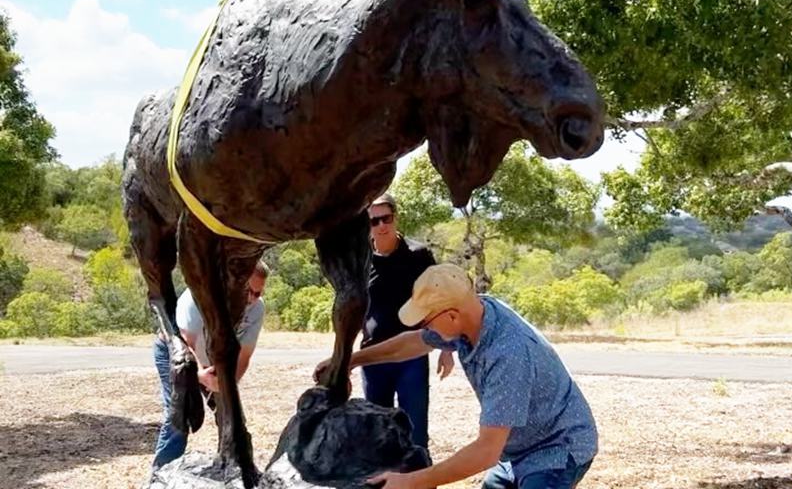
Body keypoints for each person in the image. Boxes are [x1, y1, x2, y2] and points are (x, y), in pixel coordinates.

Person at [316, 263, 597, 489]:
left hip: (557, 449)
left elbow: (486, 451)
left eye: (427, 320)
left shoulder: (508, 354)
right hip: (516, 449)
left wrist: (412, 481)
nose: (426, 328)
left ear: (451, 316)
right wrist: (348, 361)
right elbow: (412, 342)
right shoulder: (473, 314)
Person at [152, 262, 267, 469]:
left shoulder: (256, 310)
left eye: (257, 294)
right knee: (179, 412)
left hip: (214, 360)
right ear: (233, 281)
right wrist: (202, 376)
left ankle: (234, 467)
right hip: (177, 352)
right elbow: (186, 346)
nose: (251, 298)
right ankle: (161, 472)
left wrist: (227, 384)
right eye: (247, 290)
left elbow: (244, 355)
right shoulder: (198, 297)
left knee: (231, 413)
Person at [361, 193, 454, 451]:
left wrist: (446, 349)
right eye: (374, 221)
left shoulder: (418, 255)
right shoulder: (361, 260)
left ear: (395, 218)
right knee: (378, 437)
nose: (381, 226)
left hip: (412, 355)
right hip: (373, 358)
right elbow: (350, 307)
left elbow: (439, 299)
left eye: (386, 219)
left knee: (415, 435)